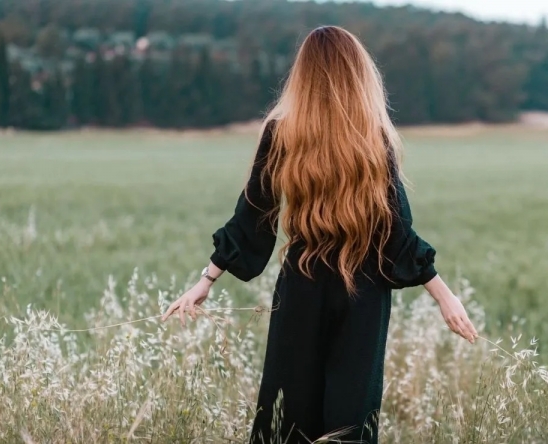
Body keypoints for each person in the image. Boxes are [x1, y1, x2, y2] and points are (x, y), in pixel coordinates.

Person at [162, 25, 478, 444]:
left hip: (301, 287)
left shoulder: (282, 132)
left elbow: (253, 218)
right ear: (358, 73)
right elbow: (396, 233)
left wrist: (206, 281)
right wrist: (444, 295)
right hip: (364, 292)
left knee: (287, 418)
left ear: (303, 75)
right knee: (351, 422)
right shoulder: (374, 138)